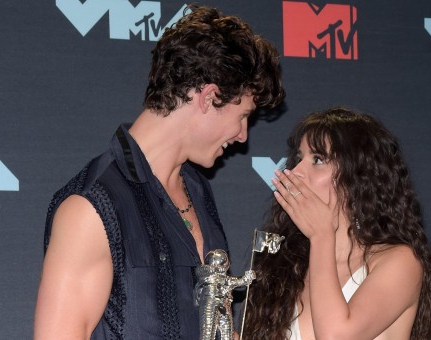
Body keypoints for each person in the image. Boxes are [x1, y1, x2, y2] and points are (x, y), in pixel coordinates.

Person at [33, 5, 284, 339]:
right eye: (243, 116)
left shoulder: (197, 191)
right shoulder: (91, 209)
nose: (242, 135)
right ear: (209, 97)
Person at [243, 108, 431, 339]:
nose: (295, 172)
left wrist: (321, 235)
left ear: (358, 176)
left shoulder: (400, 261)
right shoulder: (289, 263)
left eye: (318, 159)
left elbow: (336, 336)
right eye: (298, 158)